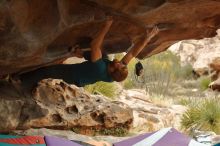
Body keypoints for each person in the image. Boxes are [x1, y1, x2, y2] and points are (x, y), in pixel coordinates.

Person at [18, 17, 159, 91]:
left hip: (75, 76)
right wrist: (148, 37)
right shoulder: (114, 71)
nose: (121, 62)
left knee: (46, 71)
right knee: (103, 55)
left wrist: (107, 25)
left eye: (121, 65)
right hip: (90, 69)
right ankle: (79, 53)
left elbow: (94, 45)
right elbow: (134, 52)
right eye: (123, 64)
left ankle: (20, 81)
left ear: (112, 69)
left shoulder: (100, 68)